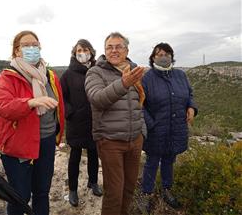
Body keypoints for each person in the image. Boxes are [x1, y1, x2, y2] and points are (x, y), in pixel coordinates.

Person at [0, 30, 64, 215]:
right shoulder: (8, 77)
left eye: (35, 44)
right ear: (17, 51)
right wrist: (31, 102)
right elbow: (2, 106)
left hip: (46, 141)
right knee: (19, 197)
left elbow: (59, 107)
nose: (32, 48)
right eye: (26, 45)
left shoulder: (50, 76)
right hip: (19, 145)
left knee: (42, 192)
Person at [85, 32, 147, 215]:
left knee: (129, 188)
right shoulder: (95, 72)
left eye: (118, 46)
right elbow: (97, 99)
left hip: (135, 140)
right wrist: (123, 83)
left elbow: (141, 103)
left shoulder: (134, 71)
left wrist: (142, 131)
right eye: (109, 47)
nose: (114, 50)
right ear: (104, 51)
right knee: (114, 192)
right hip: (110, 141)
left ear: (127, 50)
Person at [138, 43, 198, 214]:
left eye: (166, 53)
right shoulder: (147, 78)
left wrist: (191, 107)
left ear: (171, 56)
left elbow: (190, 95)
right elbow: (140, 105)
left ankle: (166, 190)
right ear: (153, 58)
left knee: (169, 160)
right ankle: (147, 193)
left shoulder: (181, 75)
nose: (163, 57)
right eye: (159, 54)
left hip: (177, 128)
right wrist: (152, 124)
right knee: (151, 162)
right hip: (156, 131)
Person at [60, 39, 102, 207]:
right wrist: (71, 113)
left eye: (85, 49)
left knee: (93, 154)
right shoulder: (68, 75)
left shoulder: (97, 71)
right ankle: (73, 189)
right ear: (74, 53)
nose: (82, 53)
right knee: (74, 157)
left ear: (91, 52)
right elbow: (62, 98)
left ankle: (93, 182)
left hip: (94, 122)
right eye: (79, 50)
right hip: (76, 123)